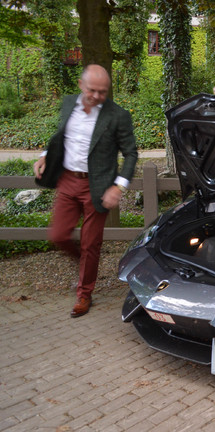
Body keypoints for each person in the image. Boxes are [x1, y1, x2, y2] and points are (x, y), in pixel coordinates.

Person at [33, 64, 138, 318]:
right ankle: (85, 265)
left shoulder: (118, 115)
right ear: (81, 85)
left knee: (91, 243)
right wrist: (45, 155)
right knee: (58, 235)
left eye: (103, 91)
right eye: (93, 90)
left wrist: (118, 187)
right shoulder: (69, 103)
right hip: (68, 180)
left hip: (99, 185)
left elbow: (131, 154)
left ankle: (84, 293)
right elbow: (62, 136)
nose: (98, 96)